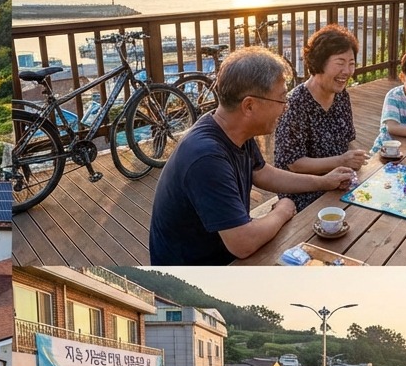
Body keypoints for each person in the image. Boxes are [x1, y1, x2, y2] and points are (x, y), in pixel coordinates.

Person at [148, 47, 357, 265]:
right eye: (281, 99)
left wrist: (324, 181)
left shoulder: (232, 128)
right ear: (249, 105)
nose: (286, 107)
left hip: (225, 252)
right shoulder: (206, 157)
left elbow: (262, 173)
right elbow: (243, 243)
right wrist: (283, 211)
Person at [274, 24, 367, 211]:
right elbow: (294, 163)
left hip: (340, 180)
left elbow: (348, 140)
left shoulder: (341, 95)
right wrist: (341, 161)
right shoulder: (295, 104)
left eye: (351, 63)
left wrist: (356, 159)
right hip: (305, 189)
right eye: (340, 63)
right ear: (319, 63)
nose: (348, 71)